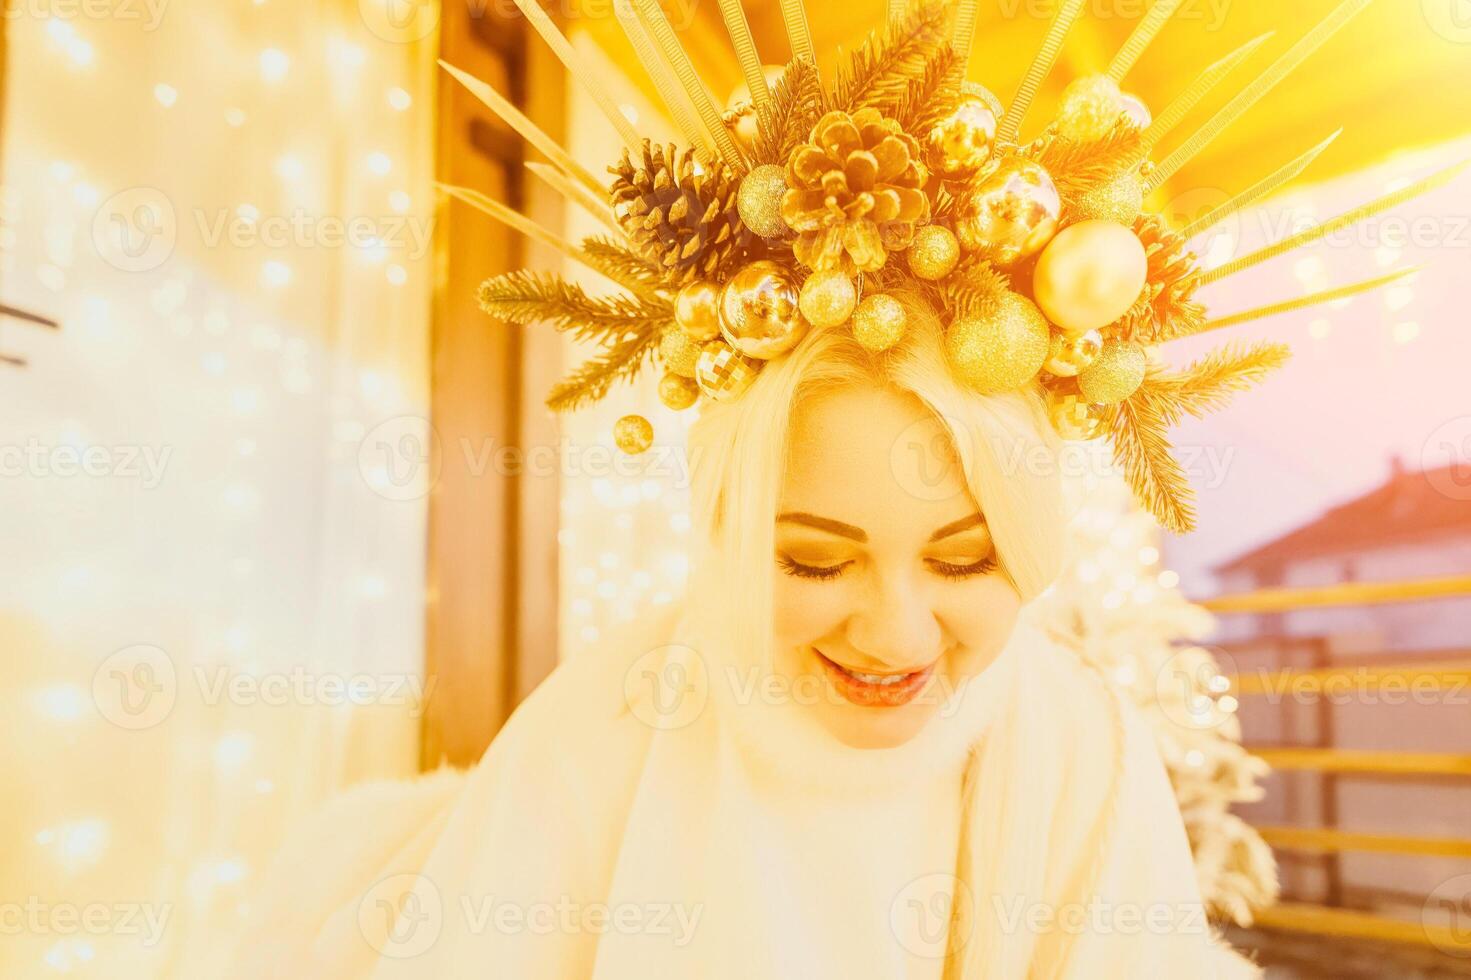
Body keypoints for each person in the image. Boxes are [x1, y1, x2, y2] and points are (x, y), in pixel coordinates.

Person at [226, 300, 1261, 978]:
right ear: (725, 535)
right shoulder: (610, 717)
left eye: (958, 560)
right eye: (816, 560)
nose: (894, 632)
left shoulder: (1081, 739)